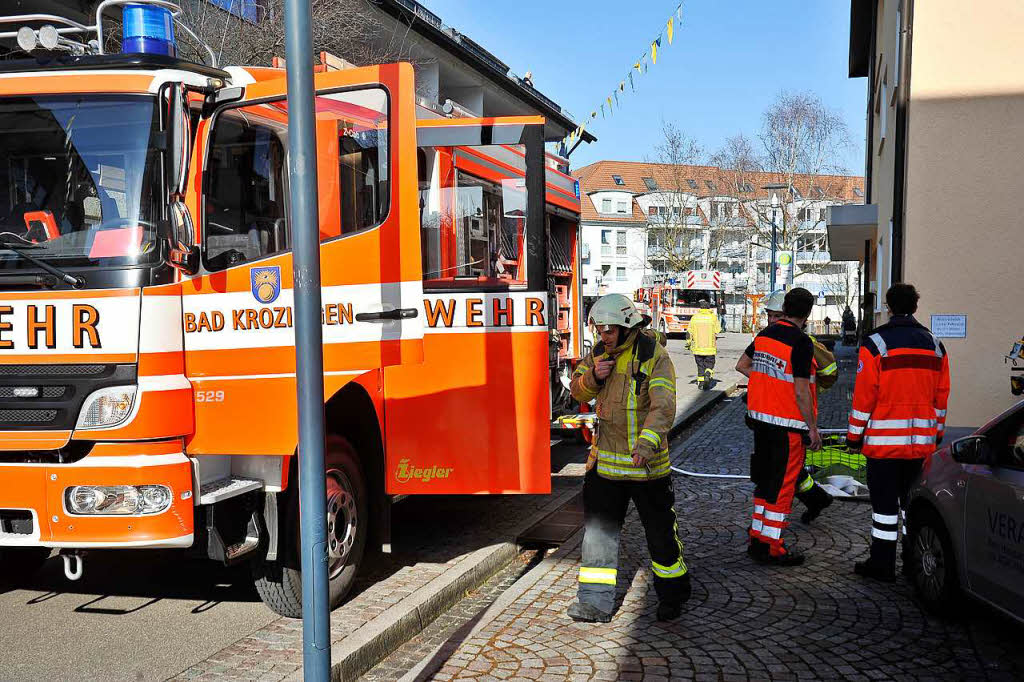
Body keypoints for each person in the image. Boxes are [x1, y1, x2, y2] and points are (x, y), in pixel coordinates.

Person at [567, 293, 691, 623]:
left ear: (626, 326)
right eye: (598, 330)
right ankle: (594, 603)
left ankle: (673, 593)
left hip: (647, 469)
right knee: (598, 536)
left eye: (608, 330)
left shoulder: (654, 356)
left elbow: (663, 406)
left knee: (661, 536)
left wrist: (646, 445)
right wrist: (594, 376)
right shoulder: (597, 354)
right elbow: (576, 391)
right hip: (606, 468)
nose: (602, 337)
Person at [846, 283, 951, 582]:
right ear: (915, 307)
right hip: (920, 446)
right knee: (912, 506)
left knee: (884, 509)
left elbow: (864, 398)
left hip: (883, 447)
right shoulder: (935, 345)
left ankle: (881, 564)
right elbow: (941, 397)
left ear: (889, 307)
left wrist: (854, 437)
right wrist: (937, 434)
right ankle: (911, 561)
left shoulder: (876, 343)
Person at [736, 288, 821, 565]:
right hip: (787, 426)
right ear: (808, 314)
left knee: (765, 483)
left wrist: (766, 383)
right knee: (782, 487)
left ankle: (757, 539)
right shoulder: (801, 342)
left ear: (785, 308)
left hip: (760, 421)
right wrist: (812, 428)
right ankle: (772, 546)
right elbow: (800, 390)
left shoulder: (764, 336)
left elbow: (743, 365)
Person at [760, 290, 835, 524]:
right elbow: (744, 366)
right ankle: (816, 498)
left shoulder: (805, 343)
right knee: (781, 469)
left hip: (793, 414)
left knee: (784, 471)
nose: (773, 320)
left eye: (777, 315)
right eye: (769, 315)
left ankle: (814, 499)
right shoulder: (767, 337)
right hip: (770, 413)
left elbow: (829, 373)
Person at [687, 299, 721, 390]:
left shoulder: (694, 317)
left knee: (700, 365)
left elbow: (689, 332)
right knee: (710, 364)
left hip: (697, 348)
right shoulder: (713, 317)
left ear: (700, 308)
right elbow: (718, 330)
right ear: (709, 308)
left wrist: (688, 343)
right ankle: (708, 373)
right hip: (710, 348)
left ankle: (701, 384)